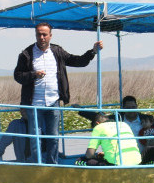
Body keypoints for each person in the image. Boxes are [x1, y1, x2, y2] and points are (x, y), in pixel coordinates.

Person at [14, 22, 103, 164]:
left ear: (50, 35)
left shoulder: (57, 52)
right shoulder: (27, 54)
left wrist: (92, 52)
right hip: (34, 104)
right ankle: (37, 166)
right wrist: (33, 74)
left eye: (44, 34)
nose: (41, 37)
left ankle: (52, 165)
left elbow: (77, 61)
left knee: (54, 137)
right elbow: (17, 76)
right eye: (39, 34)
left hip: (53, 102)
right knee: (35, 137)